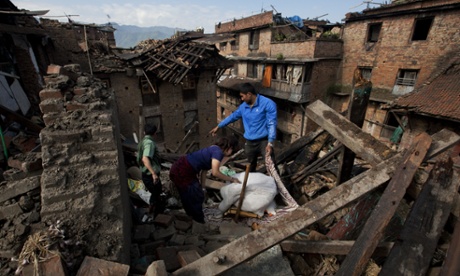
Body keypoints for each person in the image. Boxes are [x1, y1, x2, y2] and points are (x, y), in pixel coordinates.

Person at [169, 136, 241, 223]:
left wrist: (203, 187)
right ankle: (198, 221)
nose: (230, 155)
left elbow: (204, 170)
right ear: (230, 148)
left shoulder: (214, 148)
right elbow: (215, 172)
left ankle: (191, 217)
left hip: (182, 168)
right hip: (182, 171)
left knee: (192, 193)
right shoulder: (218, 153)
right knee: (195, 196)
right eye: (232, 152)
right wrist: (232, 179)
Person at [209, 82, 277, 172]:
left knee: (271, 165)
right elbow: (232, 117)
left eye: (242, 96)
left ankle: (278, 184)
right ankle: (251, 183)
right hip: (250, 142)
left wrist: (270, 143)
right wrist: (219, 126)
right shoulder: (243, 107)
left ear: (249, 94)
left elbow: (271, 123)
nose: (241, 99)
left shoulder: (268, 104)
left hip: (263, 141)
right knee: (250, 166)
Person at [137, 123, 165, 217]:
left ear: (144, 132)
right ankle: (157, 216)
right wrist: (153, 173)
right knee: (157, 194)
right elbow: (145, 158)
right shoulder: (149, 143)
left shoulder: (143, 141)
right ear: (155, 134)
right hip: (150, 175)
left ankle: (152, 210)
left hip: (146, 174)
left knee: (156, 192)